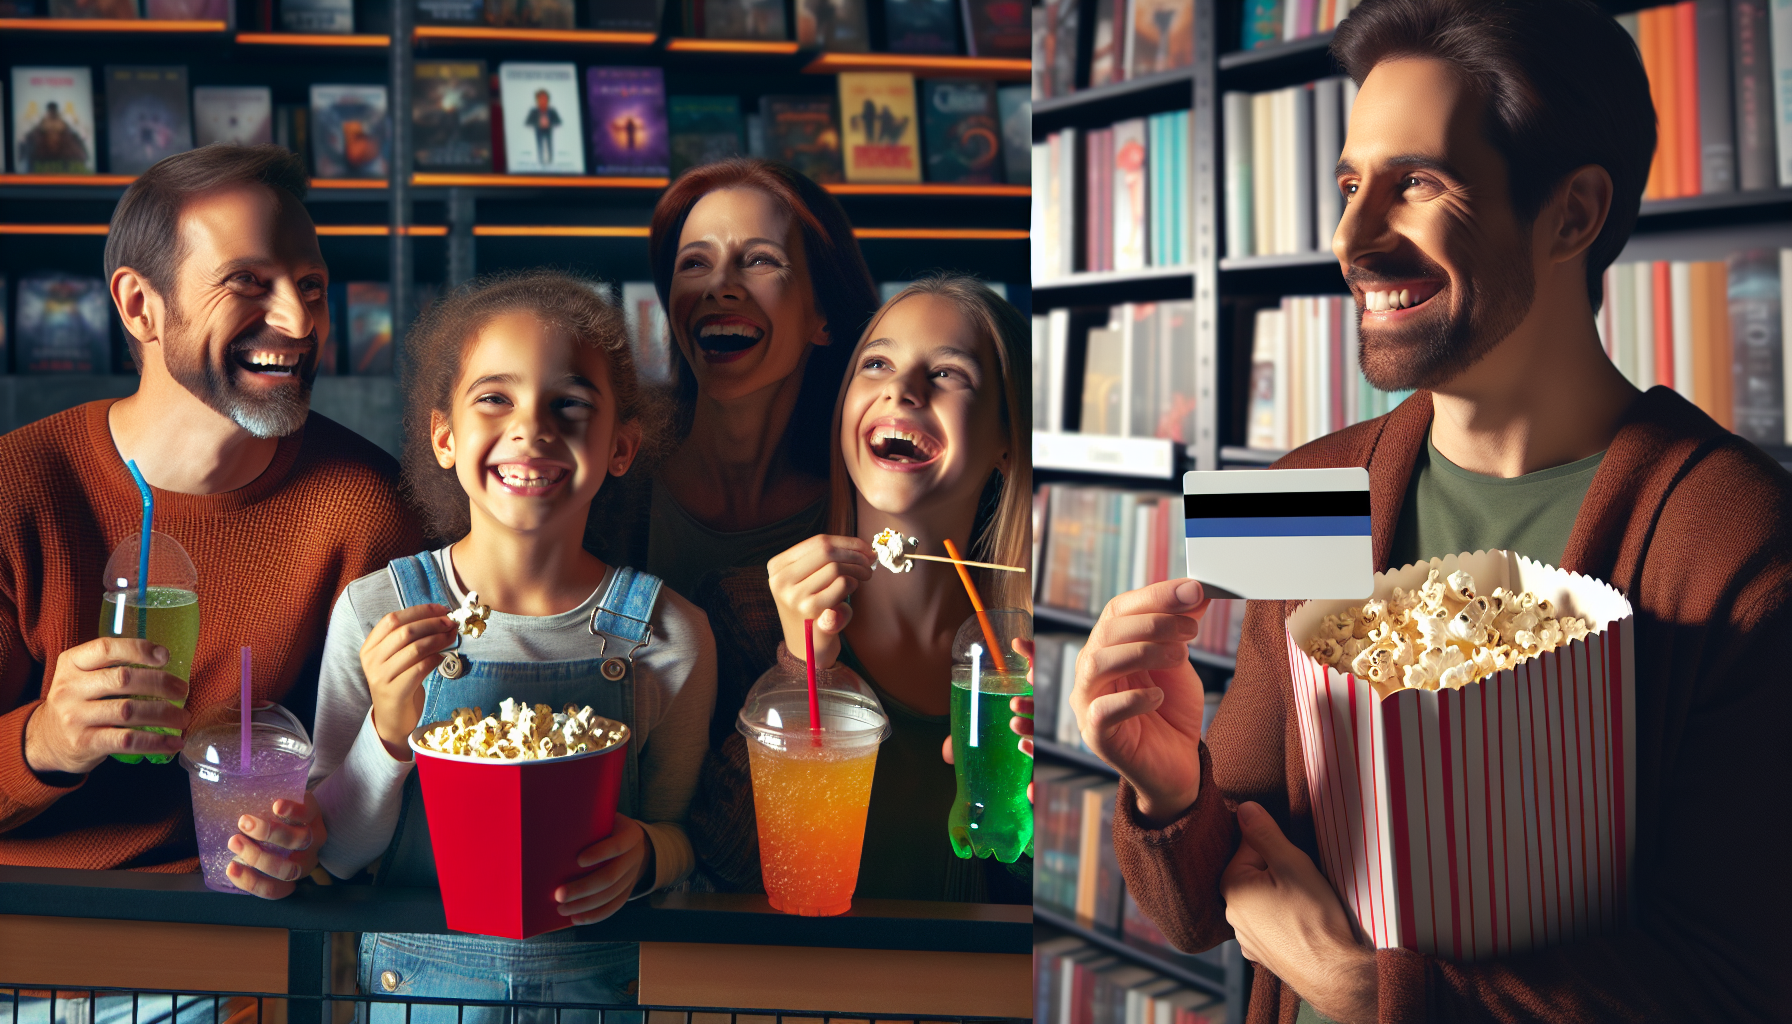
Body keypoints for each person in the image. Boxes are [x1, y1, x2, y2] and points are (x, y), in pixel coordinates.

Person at [1070, 2, 1792, 1021]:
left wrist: (1369, 992)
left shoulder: (1739, 543)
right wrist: (1169, 790)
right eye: (1350, 184)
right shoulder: (1299, 489)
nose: (1350, 238)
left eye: (1416, 183)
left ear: (1573, 214)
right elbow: (1204, 907)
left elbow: (1737, 986)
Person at [0, 144, 419, 889]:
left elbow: (376, 796)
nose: (298, 320)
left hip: (232, 957)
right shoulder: (15, 488)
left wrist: (312, 841)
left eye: (312, 287)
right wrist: (43, 741)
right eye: (248, 283)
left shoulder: (369, 508)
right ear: (140, 306)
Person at [308, 270, 716, 1015]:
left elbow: (684, 837)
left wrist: (651, 855)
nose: (532, 428)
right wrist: (389, 731)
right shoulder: (374, 614)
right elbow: (334, 853)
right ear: (445, 436)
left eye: (570, 405)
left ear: (621, 446)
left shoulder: (670, 635)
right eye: (495, 398)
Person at [688, 276, 1031, 904]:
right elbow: (728, 868)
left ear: (1008, 440)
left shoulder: (1038, 648)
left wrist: (1043, 806)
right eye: (877, 364)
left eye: (950, 373)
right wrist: (799, 670)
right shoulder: (745, 612)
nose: (901, 388)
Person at [582, 158, 882, 601]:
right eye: (695, 264)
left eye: (760, 259)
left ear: (823, 315)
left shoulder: (870, 505)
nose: (719, 285)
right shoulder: (607, 482)